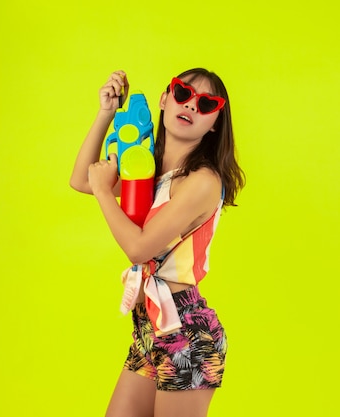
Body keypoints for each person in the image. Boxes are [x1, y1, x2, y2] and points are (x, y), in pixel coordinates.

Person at [69, 69, 245, 417]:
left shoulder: (202, 180)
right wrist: (106, 113)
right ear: (164, 100)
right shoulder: (150, 171)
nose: (191, 105)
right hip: (150, 332)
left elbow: (139, 248)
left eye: (206, 103)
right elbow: (81, 179)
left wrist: (106, 190)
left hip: (188, 336)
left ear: (214, 124)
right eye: (183, 93)